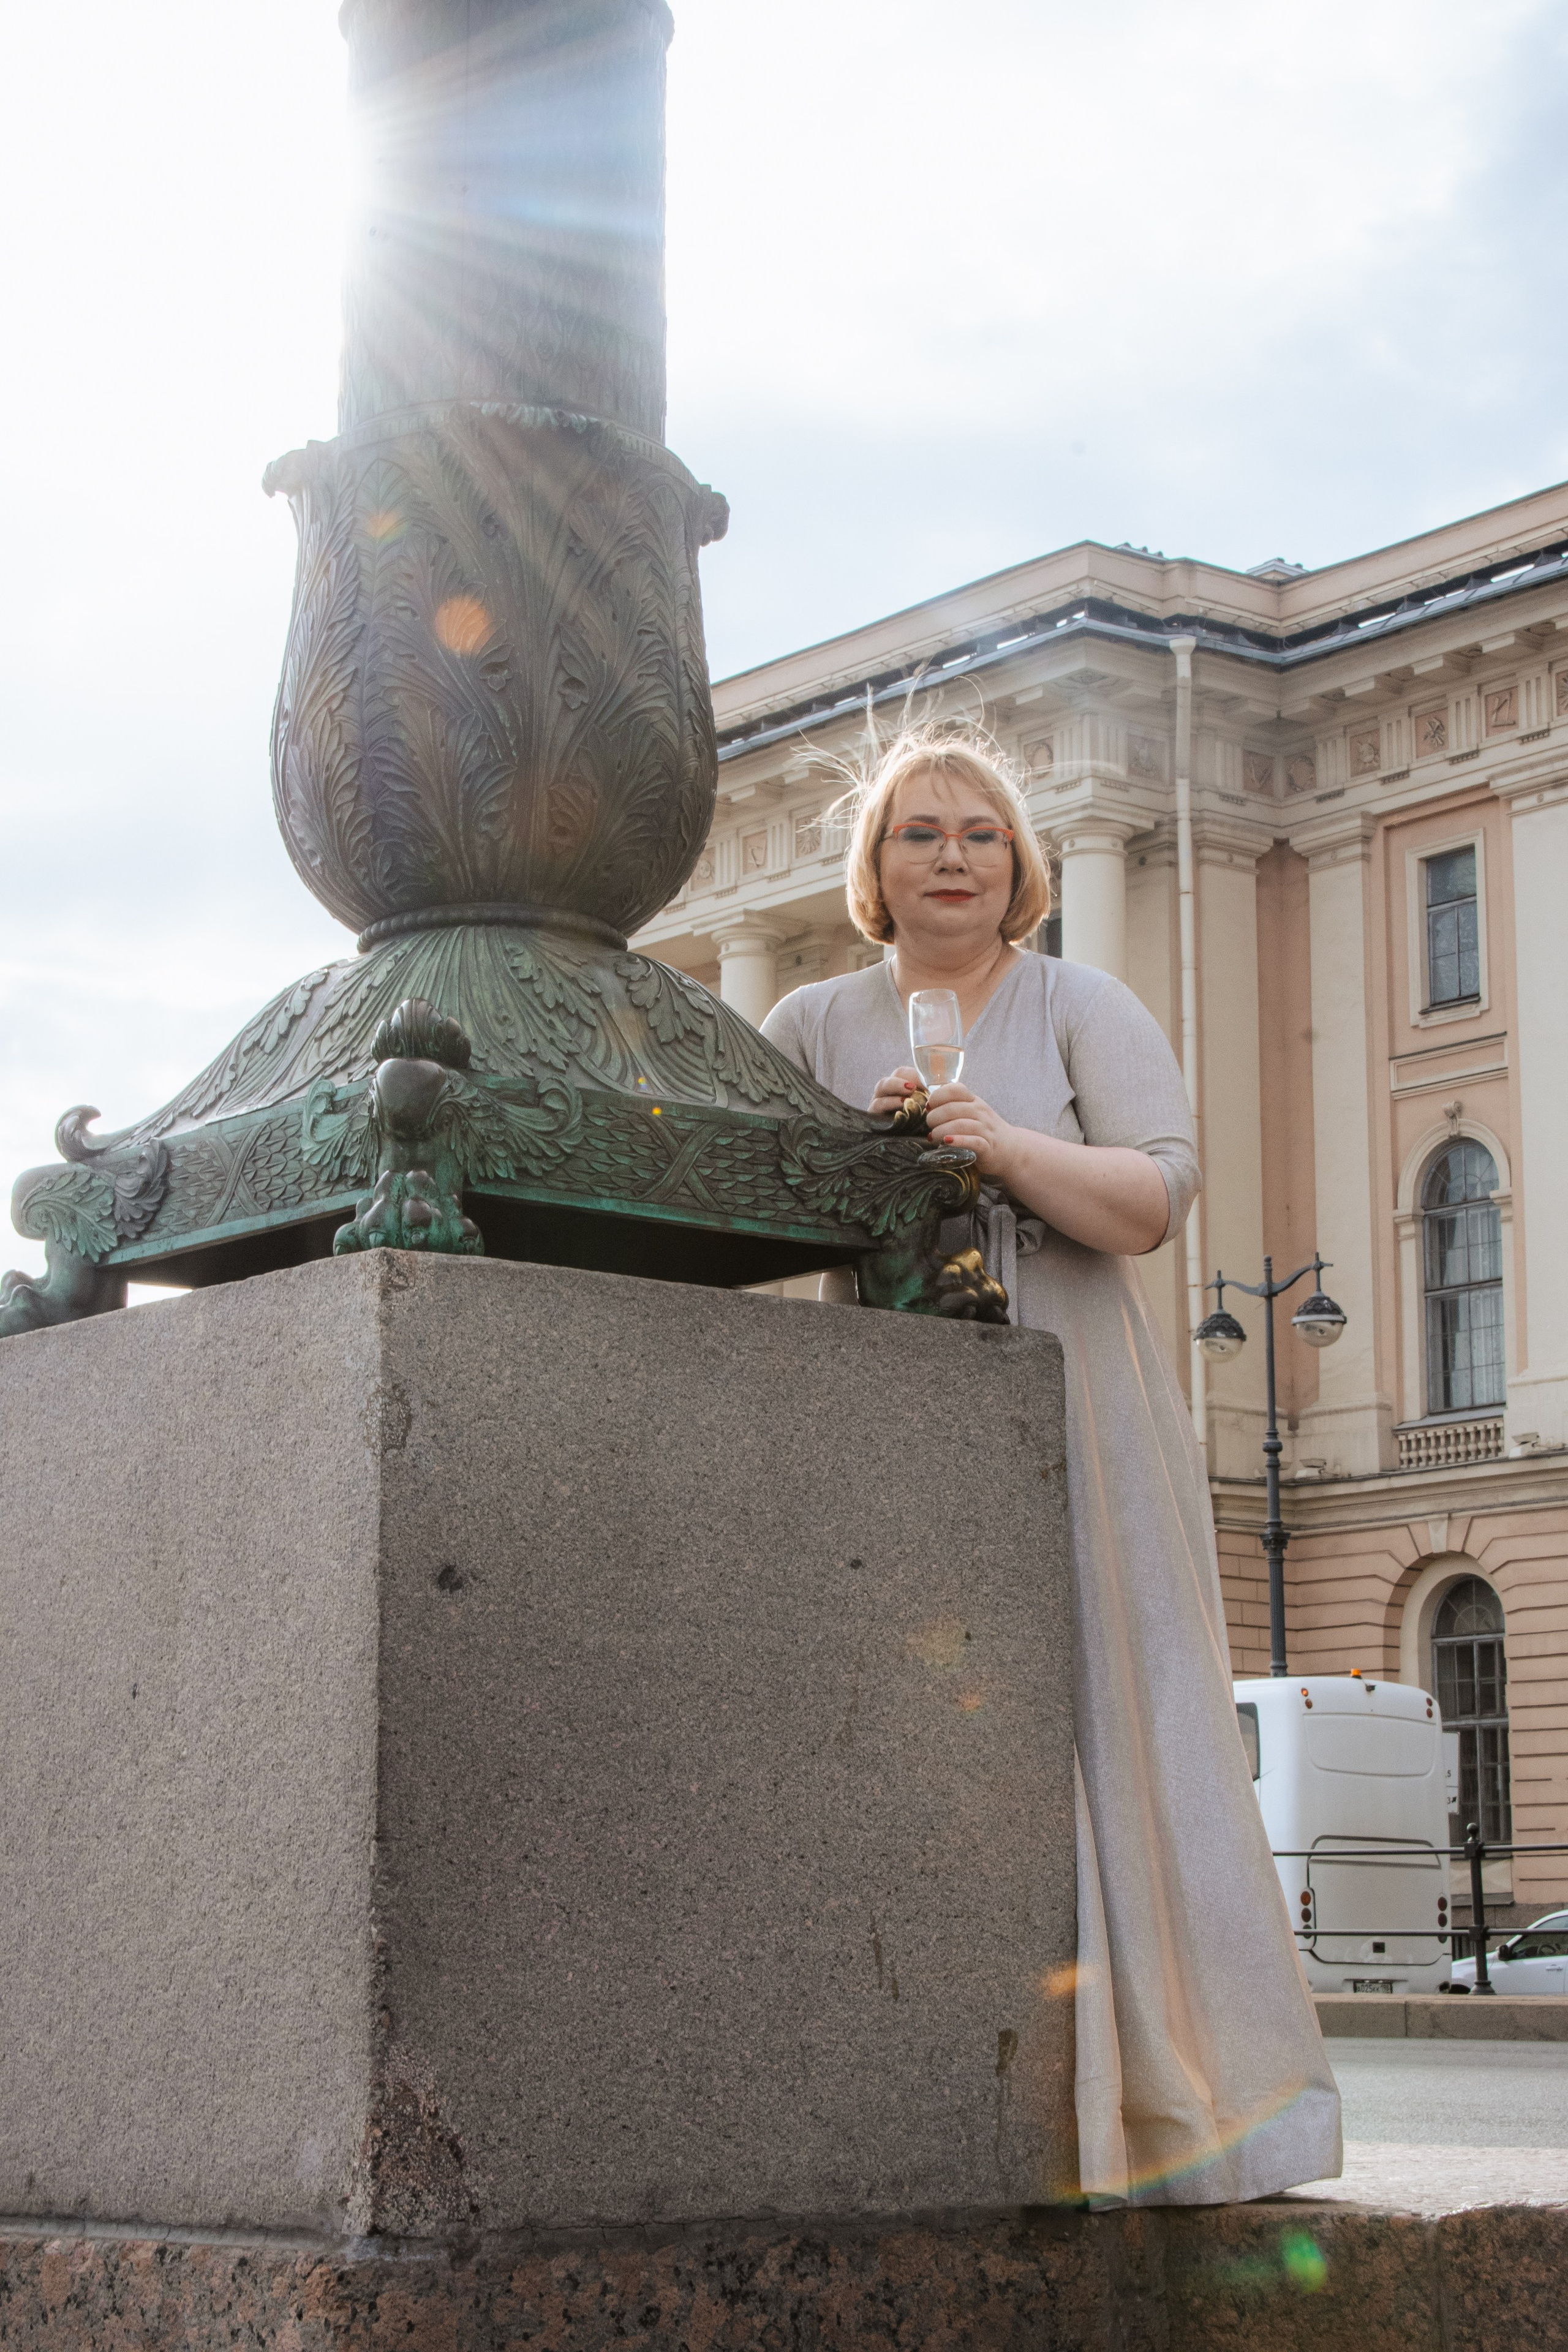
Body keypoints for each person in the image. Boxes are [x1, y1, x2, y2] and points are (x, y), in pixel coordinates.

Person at [761, 726, 1341, 2206]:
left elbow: (1151, 1199)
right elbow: (761, 1205)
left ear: (1018, 867)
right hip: (885, 1423)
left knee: (1108, 1715)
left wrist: (995, 1144)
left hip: (1071, 1407)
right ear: (873, 871)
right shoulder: (819, 1023)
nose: (950, 855)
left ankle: (1156, 2104)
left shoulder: (1078, 1002)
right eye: (917, 834)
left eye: (977, 834)